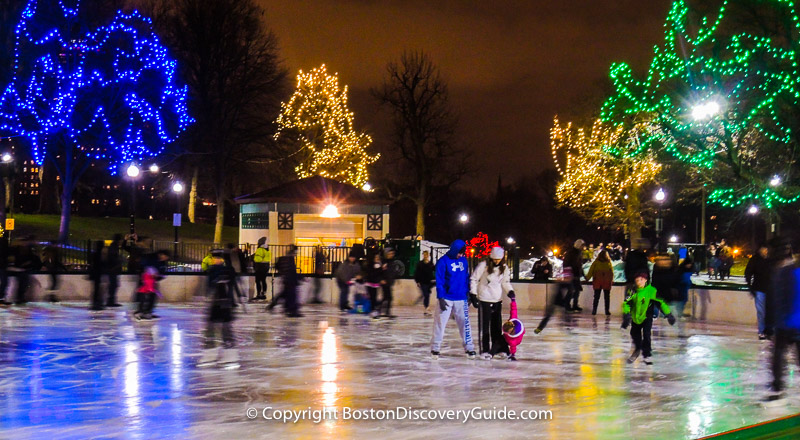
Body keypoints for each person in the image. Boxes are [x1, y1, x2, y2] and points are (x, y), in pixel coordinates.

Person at [765, 238, 799, 402]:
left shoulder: (788, 272)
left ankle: (777, 385)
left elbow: (787, 299)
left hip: (789, 323)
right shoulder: (785, 271)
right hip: (788, 322)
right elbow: (775, 300)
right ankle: (777, 384)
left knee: (778, 355)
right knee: (779, 355)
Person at [430, 239, 476, 359]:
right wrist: (440, 297)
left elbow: (466, 277)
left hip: (461, 298)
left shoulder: (463, 261)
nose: (460, 255)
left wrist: (468, 293)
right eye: (459, 252)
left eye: (462, 253)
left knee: (465, 323)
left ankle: (469, 347)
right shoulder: (443, 262)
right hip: (446, 297)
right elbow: (439, 281)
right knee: (440, 323)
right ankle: (435, 347)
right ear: (454, 250)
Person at [621, 271, 676, 365]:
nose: (639, 282)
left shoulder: (652, 291)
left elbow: (661, 303)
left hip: (647, 317)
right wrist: (626, 314)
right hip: (635, 317)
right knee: (635, 334)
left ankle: (647, 355)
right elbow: (626, 303)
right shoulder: (632, 290)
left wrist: (668, 314)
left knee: (646, 335)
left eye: (641, 280)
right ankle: (637, 350)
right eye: (637, 280)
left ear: (645, 280)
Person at [198, 250, 240, 368]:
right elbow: (210, 286)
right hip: (215, 304)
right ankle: (209, 355)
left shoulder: (227, 271)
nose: (214, 260)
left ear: (222, 260)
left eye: (217, 258)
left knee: (225, 330)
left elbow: (232, 287)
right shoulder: (213, 270)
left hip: (225, 304)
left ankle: (230, 356)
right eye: (214, 258)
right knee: (210, 329)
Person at [470, 246, 513, 359]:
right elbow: (474, 279)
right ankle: (484, 350)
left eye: (498, 259)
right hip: (484, 299)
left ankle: (497, 348)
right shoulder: (483, 266)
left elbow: (505, 282)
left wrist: (510, 291)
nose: (496, 261)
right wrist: (473, 294)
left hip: (497, 300)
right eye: (494, 259)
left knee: (496, 327)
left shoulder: (504, 267)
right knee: (484, 327)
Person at [745, 245, 772, 340]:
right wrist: (750, 286)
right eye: (764, 249)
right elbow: (748, 273)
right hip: (759, 289)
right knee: (761, 311)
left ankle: (768, 330)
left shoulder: (771, 260)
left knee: (768, 311)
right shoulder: (755, 260)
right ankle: (762, 331)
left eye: (766, 250)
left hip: (769, 289)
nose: (765, 251)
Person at [134, 250, 169, 320]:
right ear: (161, 254)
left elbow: (162, 272)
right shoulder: (151, 259)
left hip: (153, 282)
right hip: (145, 281)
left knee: (152, 296)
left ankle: (148, 311)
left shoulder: (162, 263)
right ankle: (141, 311)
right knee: (143, 296)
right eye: (164, 257)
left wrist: (158, 276)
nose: (165, 259)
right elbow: (144, 267)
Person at [269, 245, 302, 317]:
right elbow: (292, 271)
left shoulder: (287, 258)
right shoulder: (290, 259)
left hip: (287, 280)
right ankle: (291, 310)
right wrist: (298, 278)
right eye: (296, 252)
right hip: (289, 281)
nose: (296, 254)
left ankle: (278, 306)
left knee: (284, 294)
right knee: (291, 295)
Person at [586, 249, 614, 315]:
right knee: (607, 297)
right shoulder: (608, 262)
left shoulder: (596, 262)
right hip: (606, 282)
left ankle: (594, 310)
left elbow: (591, 271)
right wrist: (611, 280)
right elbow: (611, 272)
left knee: (596, 297)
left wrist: (587, 278)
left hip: (597, 281)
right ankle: (607, 311)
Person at [563, 239, 586, 312]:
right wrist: (569, 273)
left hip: (576, 274)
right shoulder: (571, 253)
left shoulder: (579, 253)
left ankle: (575, 305)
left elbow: (579, 265)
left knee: (577, 290)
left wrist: (582, 274)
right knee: (571, 290)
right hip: (571, 274)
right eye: (582, 245)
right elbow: (567, 264)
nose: (583, 247)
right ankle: (567, 305)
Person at [502, 291, 525, 361]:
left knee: (501, 340)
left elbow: (513, 346)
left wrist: (512, 355)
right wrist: (513, 299)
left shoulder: (513, 340)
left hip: (516, 340)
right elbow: (513, 310)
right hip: (511, 335)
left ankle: (502, 350)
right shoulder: (512, 319)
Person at [377, 247, 397, 318]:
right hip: (384, 282)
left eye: (392, 254)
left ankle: (385, 311)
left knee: (387, 297)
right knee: (387, 297)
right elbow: (379, 272)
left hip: (389, 282)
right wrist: (381, 279)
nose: (391, 255)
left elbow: (392, 272)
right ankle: (380, 310)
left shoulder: (392, 262)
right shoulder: (383, 262)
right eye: (389, 254)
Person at [414, 250, 436, 316]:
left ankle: (427, 307)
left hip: (429, 281)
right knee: (426, 294)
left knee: (427, 295)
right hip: (422, 282)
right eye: (424, 254)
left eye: (426, 255)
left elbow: (434, 270)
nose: (425, 256)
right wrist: (417, 281)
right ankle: (427, 307)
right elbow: (416, 273)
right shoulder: (420, 264)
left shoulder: (430, 263)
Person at [105, 234, 123, 307]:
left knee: (114, 285)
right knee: (113, 285)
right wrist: (119, 261)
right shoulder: (113, 247)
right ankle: (111, 301)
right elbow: (112, 258)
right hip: (113, 269)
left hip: (113, 269)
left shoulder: (114, 246)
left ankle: (111, 301)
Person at [89, 240, 106, 311]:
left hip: (95, 274)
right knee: (97, 289)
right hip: (98, 274)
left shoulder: (95, 254)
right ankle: (96, 304)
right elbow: (100, 264)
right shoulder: (99, 254)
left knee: (96, 289)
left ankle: (95, 303)